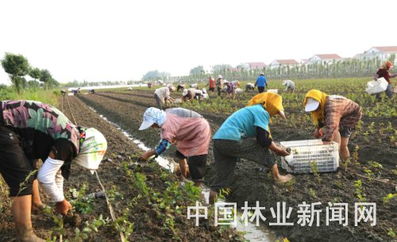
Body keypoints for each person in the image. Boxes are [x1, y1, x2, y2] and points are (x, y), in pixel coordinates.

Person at [0, 100, 107, 242]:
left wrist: (60, 199)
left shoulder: (72, 135)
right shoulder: (69, 143)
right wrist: (60, 201)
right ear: (87, 149)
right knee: (22, 179)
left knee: (30, 168)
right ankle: (25, 235)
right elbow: (45, 177)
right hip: (4, 124)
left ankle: (36, 204)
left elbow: (57, 174)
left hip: (11, 126)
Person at [210, 92, 293, 193]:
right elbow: (263, 140)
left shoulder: (253, 109)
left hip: (219, 141)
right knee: (264, 149)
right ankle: (277, 177)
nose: (274, 115)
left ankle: (211, 205)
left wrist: (275, 146)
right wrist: (277, 150)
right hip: (232, 140)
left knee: (222, 179)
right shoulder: (262, 112)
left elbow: (264, 135)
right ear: (272, 107)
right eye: (275, 112)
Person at [138, 107, 211, 186]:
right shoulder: (166, 116)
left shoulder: (167, 125)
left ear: (156, 121)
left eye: (152, 124)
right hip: (189, 131)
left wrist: (148, 154)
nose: (152, 127)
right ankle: (184, 176)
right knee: (180, 154)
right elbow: (168, 139)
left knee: (196, 161)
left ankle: (197, 187)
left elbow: (164, 146)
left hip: (200, 130)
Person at [303, 89, 362, 161]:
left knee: (341, 142)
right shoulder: (323, 104)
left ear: (320, 101)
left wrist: (326, 142)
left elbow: (333, 126)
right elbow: (322, 119)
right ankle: (338, 156)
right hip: (341, 112)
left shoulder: (332, 107)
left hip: (351, 115)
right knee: (326, 130)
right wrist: (318, 129)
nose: (315, 110)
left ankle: (341, 159)